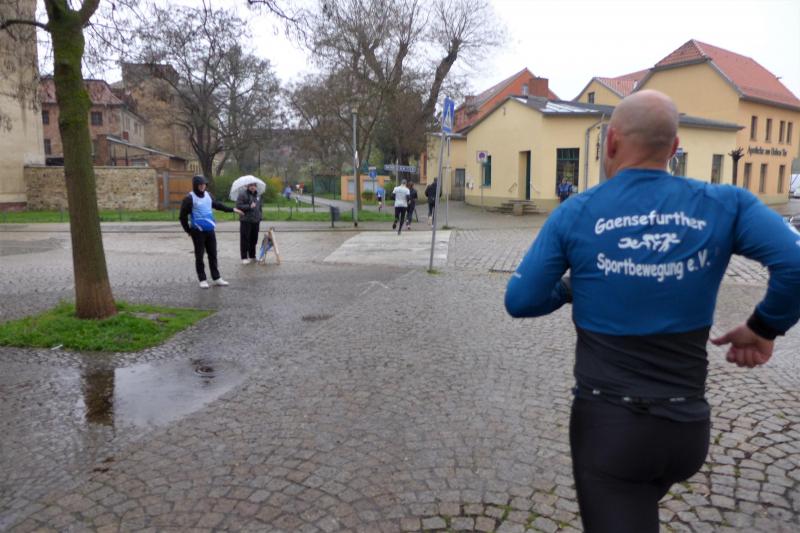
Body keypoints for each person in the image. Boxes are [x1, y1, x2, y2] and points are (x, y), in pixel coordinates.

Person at [504, 90, 800, 533]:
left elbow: (521, 299)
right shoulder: (726, 203)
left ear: (611, 142)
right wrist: (764, 327)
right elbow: (795, 263)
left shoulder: (577, 212)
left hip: (610, 430)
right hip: (687, 429)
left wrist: (569, 287)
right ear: (674, 147)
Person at [179, 175, 243, 288]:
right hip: (197, 232)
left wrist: (233, 209)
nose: (202, 186)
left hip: (210, 230)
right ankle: (202, 279)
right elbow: (182, 216)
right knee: (199, 255)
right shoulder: (189, 198)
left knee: (213, 254)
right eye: (200, 185)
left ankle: (216, 277)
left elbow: (218, 205)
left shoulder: (208, 195)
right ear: (195, 185)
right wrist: (188, 230)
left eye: (204, 184)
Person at [236, 182, 263, 265]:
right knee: (245, 239)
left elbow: (260, 207)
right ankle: (244, 257)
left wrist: (260, 217)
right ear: (247, 186)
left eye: (254, 185)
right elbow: (238, 206)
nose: (252, 187)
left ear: (256, 186)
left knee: (254, 239)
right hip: (246, 220)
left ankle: (252, 256)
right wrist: (249, 206)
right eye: (251, 185)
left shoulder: (258, 195)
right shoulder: (242, 194)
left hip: (256, 221)